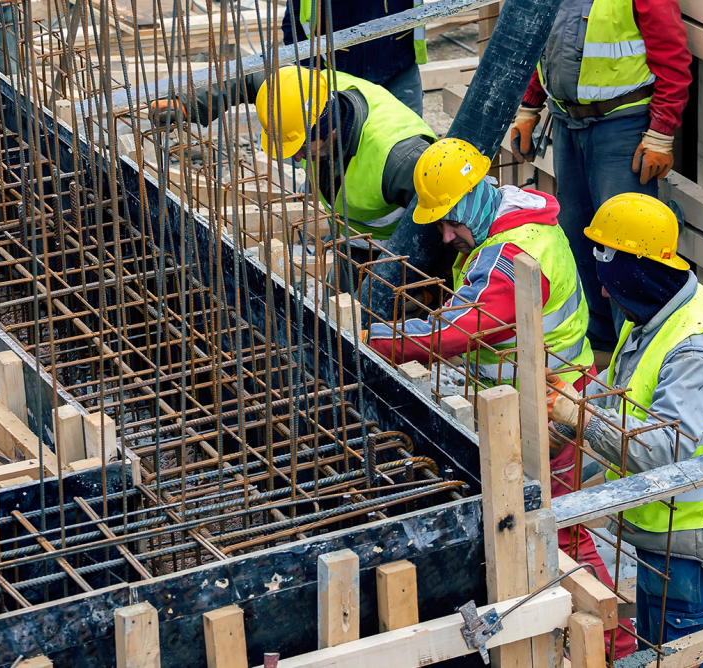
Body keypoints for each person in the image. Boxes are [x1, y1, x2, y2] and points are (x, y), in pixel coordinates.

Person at [365, 138, 636, 660]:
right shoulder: (508, 217)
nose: (446, 237)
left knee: (559, 535)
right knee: (553, 529)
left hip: (551, 410)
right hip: (544, 397)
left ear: (471, 197)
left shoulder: (513, 253)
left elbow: (462, 327)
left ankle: (616, 644)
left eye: (448, 220)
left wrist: (378, 340)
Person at [549, 193, 703, 668]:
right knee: (660, 651)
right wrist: (570, 411)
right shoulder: (655, 314)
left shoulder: (694, 351)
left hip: (692, 539)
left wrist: (579, 416)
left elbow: (663, 450)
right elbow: (622, 391)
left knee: (687, 656)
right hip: (661, 529)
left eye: (610, 285)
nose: (603, 295)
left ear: (635, 274)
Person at [511, 0, 692, 353]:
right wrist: (529, 105)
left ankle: (636, 352)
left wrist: (661, 132)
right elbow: (543, 44)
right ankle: (600, 345)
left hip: (621, 127)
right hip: (566, 122)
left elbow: (672, 58)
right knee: (578, 237)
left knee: (625, 248)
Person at [151, 66, 436, 252]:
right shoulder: (300, 93)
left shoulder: (402, 160)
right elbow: (250, 78)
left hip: (396, 248)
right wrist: (189, 102)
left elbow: (450, 225)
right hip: (349, 235)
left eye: (300, 145)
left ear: (330, 128)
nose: (296, 156)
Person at [282, 0, 427, 116]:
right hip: (340, 77)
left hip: (399, 66)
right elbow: (295, 27)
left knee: (412, 139)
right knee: (350, 145)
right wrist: (316, 76)